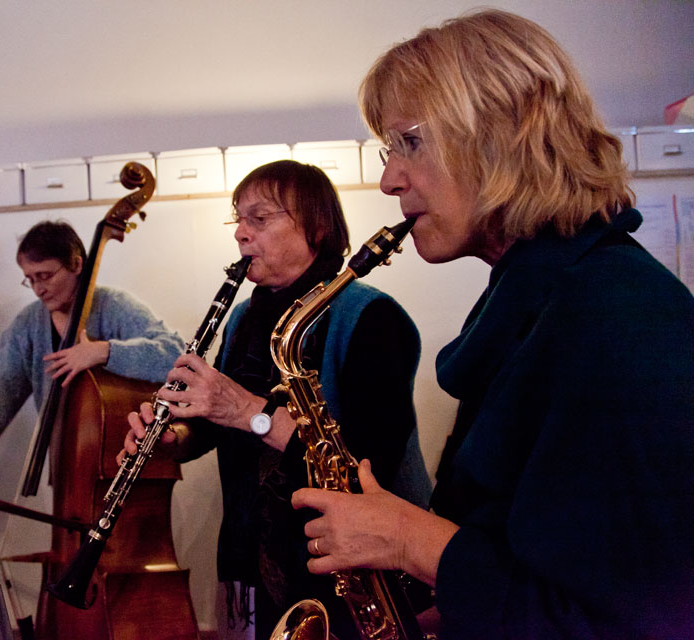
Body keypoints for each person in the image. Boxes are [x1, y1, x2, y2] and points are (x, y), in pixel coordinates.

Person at [290, 10, 694, 639]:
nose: (389, 179)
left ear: (501, 135)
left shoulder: (618, 316)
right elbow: (534, 554)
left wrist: (409, 540)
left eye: (410, 143)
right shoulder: (544, 297)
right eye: (390, 149)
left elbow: (638, 621)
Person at [123, 160, 430, 640]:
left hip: (355, 574)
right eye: (238, 220)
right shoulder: (243, 317)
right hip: (255, 559)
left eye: (260, 219)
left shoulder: (372, 316)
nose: (240, 234)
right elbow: (214, 424)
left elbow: (368, 463)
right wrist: (173, 437)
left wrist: (250, 412)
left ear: (317, 227)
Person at [0, 219, 183, 499]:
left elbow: (175, 355)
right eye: (30, 279)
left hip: (127, 471)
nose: (38, 288)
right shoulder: (28, 325)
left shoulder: (114, 306)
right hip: (67, 473)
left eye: (45, 276)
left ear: (76, 264)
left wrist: (105, 351)